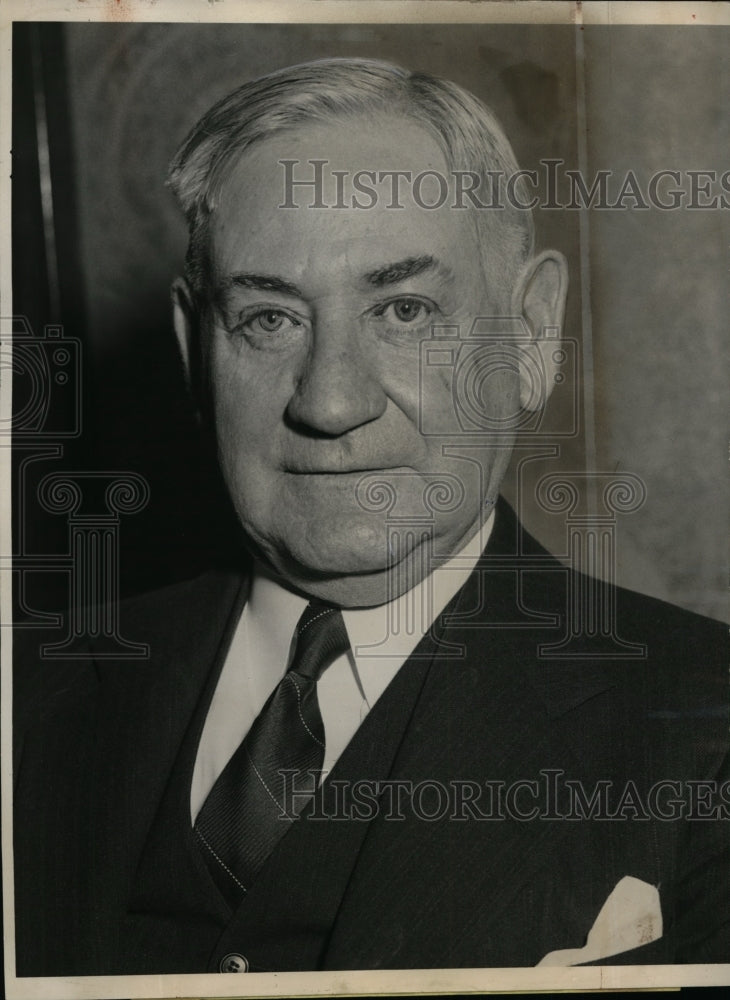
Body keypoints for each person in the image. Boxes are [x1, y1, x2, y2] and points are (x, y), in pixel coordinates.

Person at [13, 57, 728, 977]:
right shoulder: (28, 695)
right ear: (197, 349)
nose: (331, 400)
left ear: (532, 335)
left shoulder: (702, 726)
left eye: (403, 309)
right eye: (270, 319)